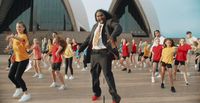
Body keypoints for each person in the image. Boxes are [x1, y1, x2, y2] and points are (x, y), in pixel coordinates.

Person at [79, 9, 121, 103]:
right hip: (94, 54)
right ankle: (97, 93)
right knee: (94, 75)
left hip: (104, 54)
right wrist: (80, 49)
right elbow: (88, 39)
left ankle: (115, 97)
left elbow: (118, 27)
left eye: (101, 15)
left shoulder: (109, 23)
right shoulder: (95, 26)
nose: (100, 17)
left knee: (107, 75)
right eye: (97, 16)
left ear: (105, 15)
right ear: (96, 18)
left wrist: (112, 36)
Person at [6, 21, 31, 102]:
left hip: (24, 60)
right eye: (17, 27)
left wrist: (13, 36)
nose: (18, 28)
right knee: (10, 75)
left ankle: (26, 94)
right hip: (17, 59)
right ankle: (18, 88)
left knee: (17, 76)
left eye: (20, 27)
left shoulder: (23, 35)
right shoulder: (16, 36)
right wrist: (9, 47)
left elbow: (21, 40)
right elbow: (14, 45)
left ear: (23, 28)